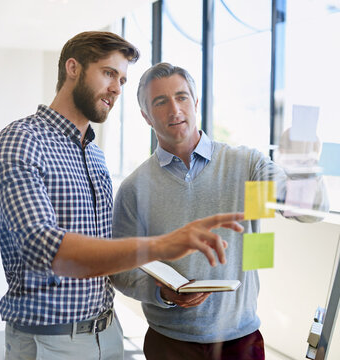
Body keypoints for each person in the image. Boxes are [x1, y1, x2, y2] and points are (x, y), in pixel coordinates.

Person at [0, 33, 245, 360]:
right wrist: (165, 244)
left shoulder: (95, 155)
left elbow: (106, 253)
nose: (117, 88)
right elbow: (43, 247)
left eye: (122, 80)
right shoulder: (22, 139)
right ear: (73, 68)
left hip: (108, 333)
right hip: (49, 342)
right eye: (109, 73)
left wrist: (162, 289)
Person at [111, 62, 329, 360]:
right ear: (146, 116)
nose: (174, 109)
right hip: (169, 342)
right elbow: (121, 269)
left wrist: (304, 166)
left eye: (182, 97)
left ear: (195, 102)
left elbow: (307, 211)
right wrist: (163, 294)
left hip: (240, 341)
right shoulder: (135, 188)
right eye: (160, 102)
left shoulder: (246, 166)